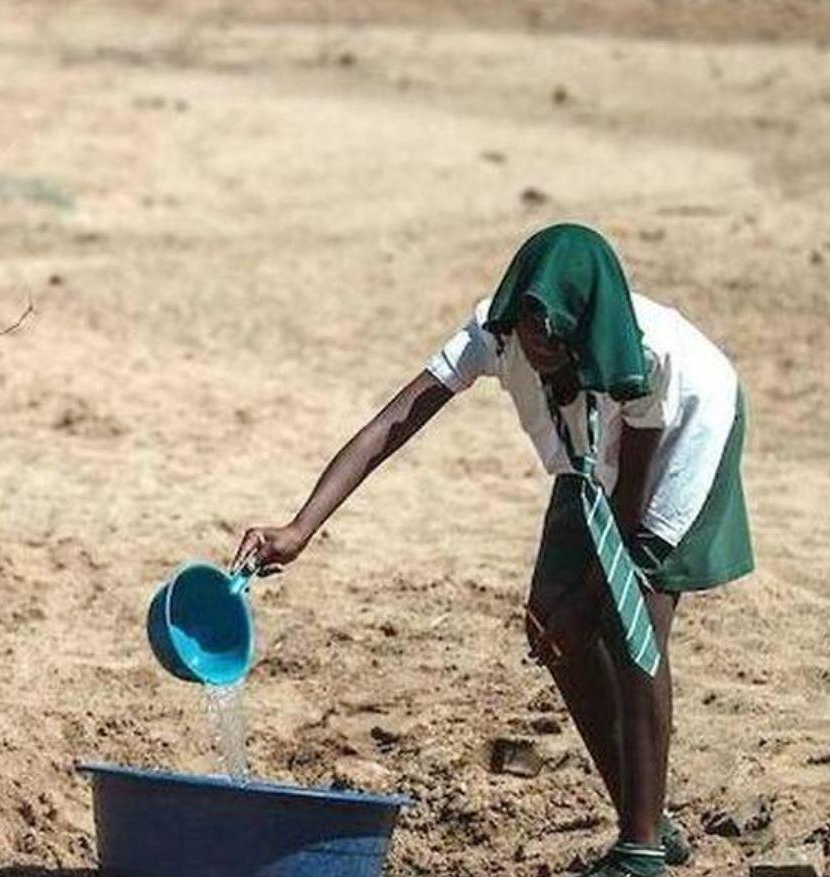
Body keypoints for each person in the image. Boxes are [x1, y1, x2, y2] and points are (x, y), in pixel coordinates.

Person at [233, 223, 753, 877]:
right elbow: (393, 422)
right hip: (588, 450)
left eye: (553, 329)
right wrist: (300, 527)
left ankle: (641, 849)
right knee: (549, 622)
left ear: (582, 324)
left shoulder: (645, 356)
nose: (539, 339)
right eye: (529, 321)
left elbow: (626, 521)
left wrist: (592, 596)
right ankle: (648, 816)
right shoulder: (493, 329)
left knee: (634, 619)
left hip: (683, 433)